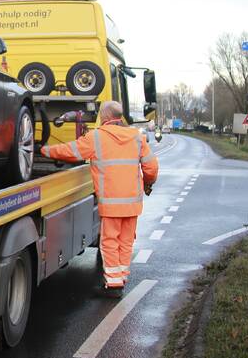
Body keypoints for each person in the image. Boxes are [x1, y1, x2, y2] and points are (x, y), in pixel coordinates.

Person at [40, 101, 159, 297]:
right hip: (133, 204)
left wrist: (44, 150)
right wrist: (148, 183)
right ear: (119, 117)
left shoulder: (97, 137)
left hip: (111, 204)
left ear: (104, 117)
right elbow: (151, 168)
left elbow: (71, 151)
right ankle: (120, 278)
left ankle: (113, 285)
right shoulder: (137, 137)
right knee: (126, 242)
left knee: (110, 242)